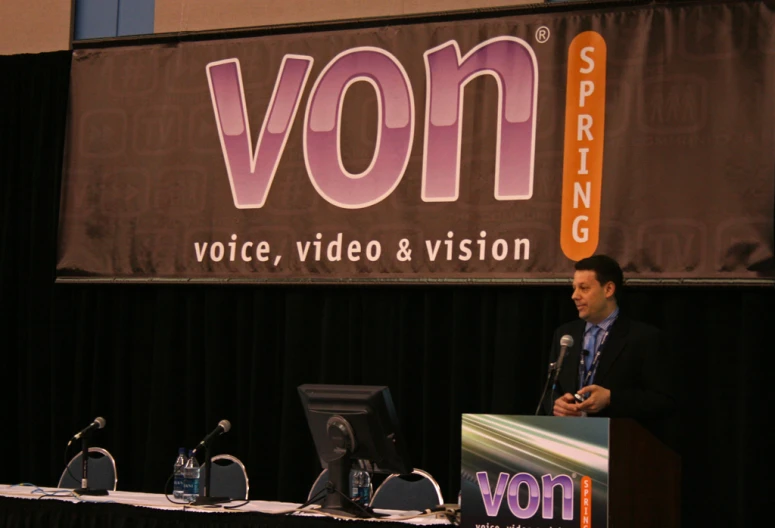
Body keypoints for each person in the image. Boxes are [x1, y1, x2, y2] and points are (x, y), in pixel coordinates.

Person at [543, 254, 677, 447]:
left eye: (584, 288)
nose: (574, 296)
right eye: (574, 288)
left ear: (608, 289)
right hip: (568, 444)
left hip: (621, 449)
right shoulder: (564, 335)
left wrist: (611, 399)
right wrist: (557, 405)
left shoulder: (644, 338)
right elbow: (550, 390)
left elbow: (664, 401)